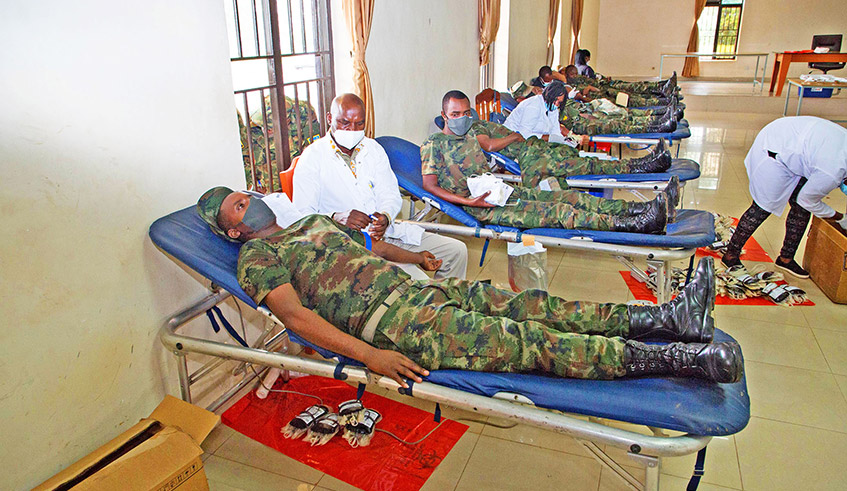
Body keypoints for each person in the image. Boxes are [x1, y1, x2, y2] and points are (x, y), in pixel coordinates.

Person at [197, 186, 744, 386]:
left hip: (419, 292)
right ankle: (675, 359)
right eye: (239, 205)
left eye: (244, 193)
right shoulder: (258, 256)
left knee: (533, 304)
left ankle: (663, 319)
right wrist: (370, 356)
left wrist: (417, 256)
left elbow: (370, 249)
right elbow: (295, 319)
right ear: (234, 228)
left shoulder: (311, 223)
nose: (251, 198)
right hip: (393, 324)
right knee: (527, 341)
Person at [421, 90, 678, 234]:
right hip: (480, 206)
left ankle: (638, 210)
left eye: (466, 113)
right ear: (444, 115)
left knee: (568, 198)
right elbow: (430, 186)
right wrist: (469, 202)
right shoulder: (433, 144)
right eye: (455, 114)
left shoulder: (470, 135)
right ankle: (635, 225)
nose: (462, 118)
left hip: (500, 192)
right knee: (560, 212)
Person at [293, 93, 468, 280]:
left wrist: (385, 215)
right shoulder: (312, 158)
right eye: (345, 122)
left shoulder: (373, 149)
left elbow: (390, 193)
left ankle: (447, 303)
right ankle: (433, 304)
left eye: (359, 124)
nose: (352, 130)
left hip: (386, 234)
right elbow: (302, 216)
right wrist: (336, 218)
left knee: (457, 252)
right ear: (329, 118)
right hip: (351, 245)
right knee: (418, 281)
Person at [722, 116, 847, 277]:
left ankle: (785, 259)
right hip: (774, 148)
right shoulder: (832, 172)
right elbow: (808, 200)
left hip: (798, 144)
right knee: (762, 208)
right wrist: (839, 217)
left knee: (800, 208)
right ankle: (730, 254)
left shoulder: (836, 164)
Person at [471, 118, 672, 188]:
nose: (463, 117)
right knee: (585, 165)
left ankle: (640, 163)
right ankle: (639, 167)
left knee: (581, 158)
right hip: (530, 157)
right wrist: (514, 137)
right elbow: (488, 146)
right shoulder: (476, 126)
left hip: (535, 148)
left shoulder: (483, 123)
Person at [562, 65, 676, 108]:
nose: (575, 76)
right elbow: (583, 97)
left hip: (607, 91)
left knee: (634, 92)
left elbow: (593, 83)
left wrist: (594, 85)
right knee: (632, 100)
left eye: (576, 73)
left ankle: (661, 89)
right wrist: (589, 90)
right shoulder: (569, 87)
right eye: (572, 74)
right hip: (603, 100)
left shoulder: (580, 79)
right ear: (566, 75)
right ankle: (663, 102)